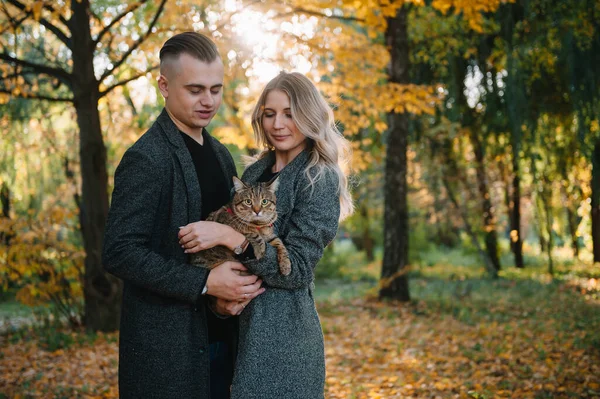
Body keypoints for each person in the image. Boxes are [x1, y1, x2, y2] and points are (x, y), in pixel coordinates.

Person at [102, 31, 264, 399]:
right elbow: (119, 251)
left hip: (221, 335)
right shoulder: (146, 157)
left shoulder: (221, 154)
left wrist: (221, 300)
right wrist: (204, 284)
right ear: (164, 85)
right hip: (167, 353)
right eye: (195, 90)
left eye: (216, 89)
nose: (209, 101)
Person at [182, 71, 354, 398]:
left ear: (309, 115)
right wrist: (219, 303)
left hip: (284, 345)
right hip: (236, 336)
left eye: (290, 113)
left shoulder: (318, 178)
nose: (278, 124)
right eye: (270, 113)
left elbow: (298, 270)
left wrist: (232, 238)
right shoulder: (254, 173)